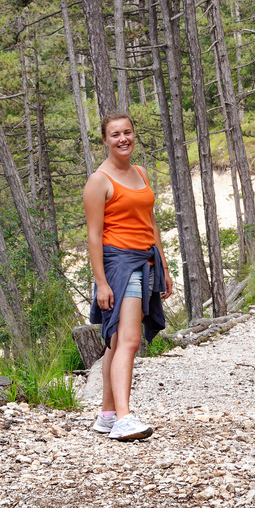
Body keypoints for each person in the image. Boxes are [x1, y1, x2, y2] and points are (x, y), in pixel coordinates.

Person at [84, 111, 173, 441]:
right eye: (115, 134)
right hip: (120, 265)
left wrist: (163, 265)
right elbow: (94, 236)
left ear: (134, 135)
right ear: (105, 140)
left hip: (146, 261)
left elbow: (150, 223)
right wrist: (102, 283)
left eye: (127, 132)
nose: (123, 139)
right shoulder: (99, 181)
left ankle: (107, 415)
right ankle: (124, 418)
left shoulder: (141, 173)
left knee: (117, 342)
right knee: (130, 340)